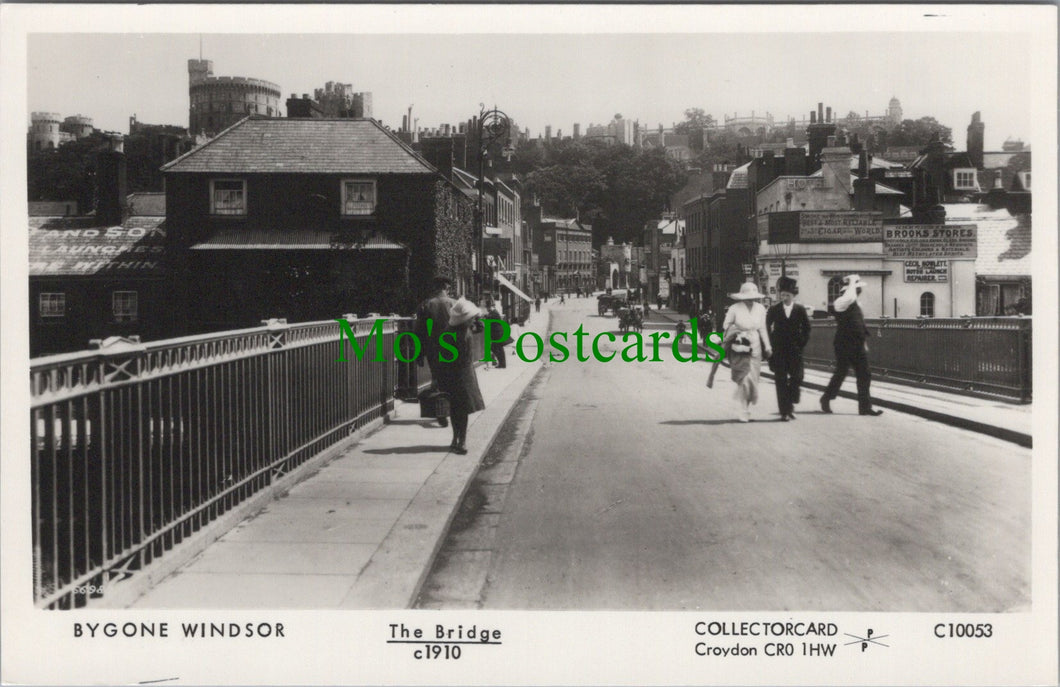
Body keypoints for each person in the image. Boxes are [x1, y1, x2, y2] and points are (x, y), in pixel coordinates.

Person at [820, 274, 883, 416]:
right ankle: (826, 398)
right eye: (856, 289)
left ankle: (865, 407)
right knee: (841, 373)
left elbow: (859, 325)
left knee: (865, 374)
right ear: (848, 290)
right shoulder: (840, 302)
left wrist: (864, 343)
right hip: (844, 344)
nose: (859, 292)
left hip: (857, 344)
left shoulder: (855, 305)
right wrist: (852, 280)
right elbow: (850, 297)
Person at [713, 282, 772, 422]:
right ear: (741, 297)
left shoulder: (761, 308)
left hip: (755, 345)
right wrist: (735, 330)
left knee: (753, 378)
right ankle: (743, 409)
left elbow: (763, 328)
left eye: (752, 297)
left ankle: (747, 405)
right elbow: (725, 325)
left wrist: (768, 346)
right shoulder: (734, 308)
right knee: (744, 377)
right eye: (747, 297)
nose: (750, 300)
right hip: (739, 344)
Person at [434, 297, 486, 454]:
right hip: (462, 375)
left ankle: (455, 439)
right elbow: (463, 358)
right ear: (465, 319)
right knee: (462, 410)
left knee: (455, 409)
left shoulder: (450, 331)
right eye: (471, 318)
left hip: (449, 375)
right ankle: (461, 441)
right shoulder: (464, 334)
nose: (473, 320)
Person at [766, 276, 811, 421]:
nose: (784, 297)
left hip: (795, 350)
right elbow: (766, 327)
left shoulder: (799, 309)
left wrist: (801, 343)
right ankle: (785, 411)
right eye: (782, 295)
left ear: (793, 296)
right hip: (778, 350)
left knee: (797, 377)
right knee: (780, 380)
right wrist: (769, 344)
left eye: (787, 295)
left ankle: (791, 402)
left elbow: (807, 328)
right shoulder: (774, 309)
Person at [414, 276, 455, 425]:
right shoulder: (455, 304)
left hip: (434, 350)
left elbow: (419, 332)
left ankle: (441, 411)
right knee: (452, 380)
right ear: (446, 287)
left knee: (438, 378)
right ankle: (446, 410)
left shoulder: (426, 305)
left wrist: (419, 353)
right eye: (448, 287)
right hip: (454, 349)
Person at [485, 302, 507, 368]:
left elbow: (488, 319)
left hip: (497, 334)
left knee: (497, 348)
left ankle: (502, 363)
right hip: (497, 333)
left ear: (489, 307)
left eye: (487, 308)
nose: (487, 309)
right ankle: (501, 363)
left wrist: (485, 316)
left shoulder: (494, 313)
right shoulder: (494, 312)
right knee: (498, 348)